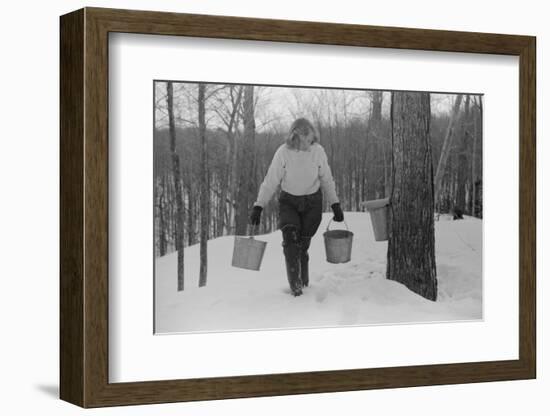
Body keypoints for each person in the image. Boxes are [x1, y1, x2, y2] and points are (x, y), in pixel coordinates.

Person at [249, 117, 344, 296]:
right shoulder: (283, 153)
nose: (311, 142)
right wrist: (258, 205)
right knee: (291, 243)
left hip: (312, 204)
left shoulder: (318, 152)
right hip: (289, 203)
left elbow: (327, 179)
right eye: (308, 139)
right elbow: (271, 181)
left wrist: (335, 203)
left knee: (302, 245)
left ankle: (304, 281)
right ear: (297, 137)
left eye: (312, 138)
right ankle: (296, 289)